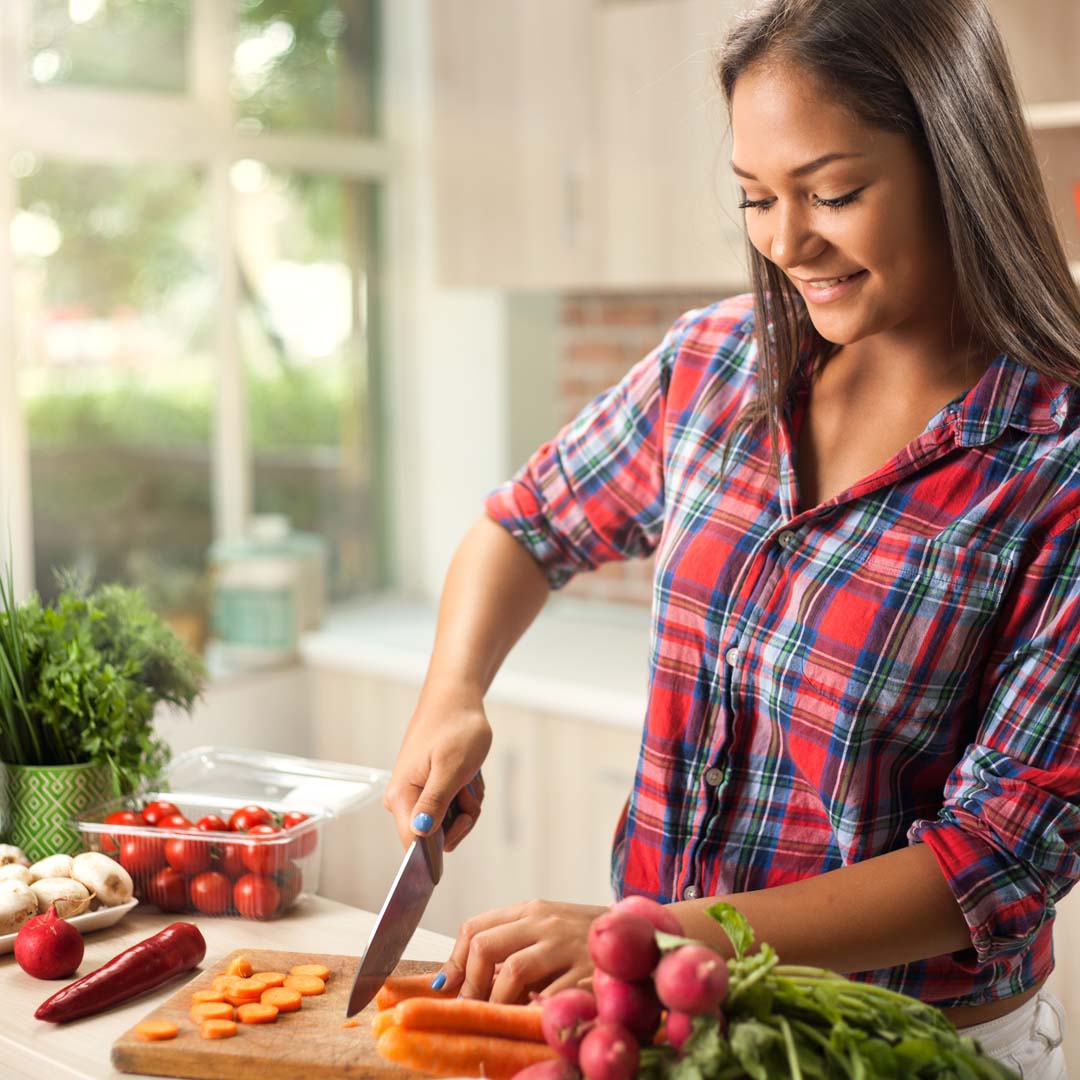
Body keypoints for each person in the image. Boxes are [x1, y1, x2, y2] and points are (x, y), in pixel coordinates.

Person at [383, 0, 1079, 1071]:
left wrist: (664, 936)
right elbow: (523, 527)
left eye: (833, 192)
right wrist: (452, 694)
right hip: (667, 1018)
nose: (786, 240)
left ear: (956, 160)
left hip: (906, 1045)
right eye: (757, 197)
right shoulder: (715, 363)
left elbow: (997, 860)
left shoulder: (1054, 464)